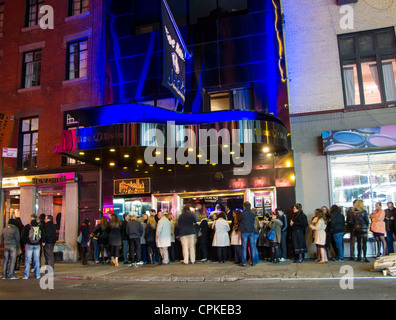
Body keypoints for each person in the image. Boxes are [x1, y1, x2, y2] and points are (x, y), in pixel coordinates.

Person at [22, 214, 44, 278]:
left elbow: (23, 236)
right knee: (36, 260)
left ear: (31, 219)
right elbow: (43, 235)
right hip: (37, 245)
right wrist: (40, 242)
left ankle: (26, 275)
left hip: (29, 245)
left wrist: (25, 242)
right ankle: (37, 275)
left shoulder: (27, 226)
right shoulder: (40, 226)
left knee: (28, 260)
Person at [239, 201, 259, 267]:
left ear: (244, 207)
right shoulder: (252, 214)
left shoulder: (242, 214)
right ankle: (253, 262)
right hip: (251, 231)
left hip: (244, 231)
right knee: (252, 246)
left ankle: (244, 262)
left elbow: (239, 220)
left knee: (244, 247)